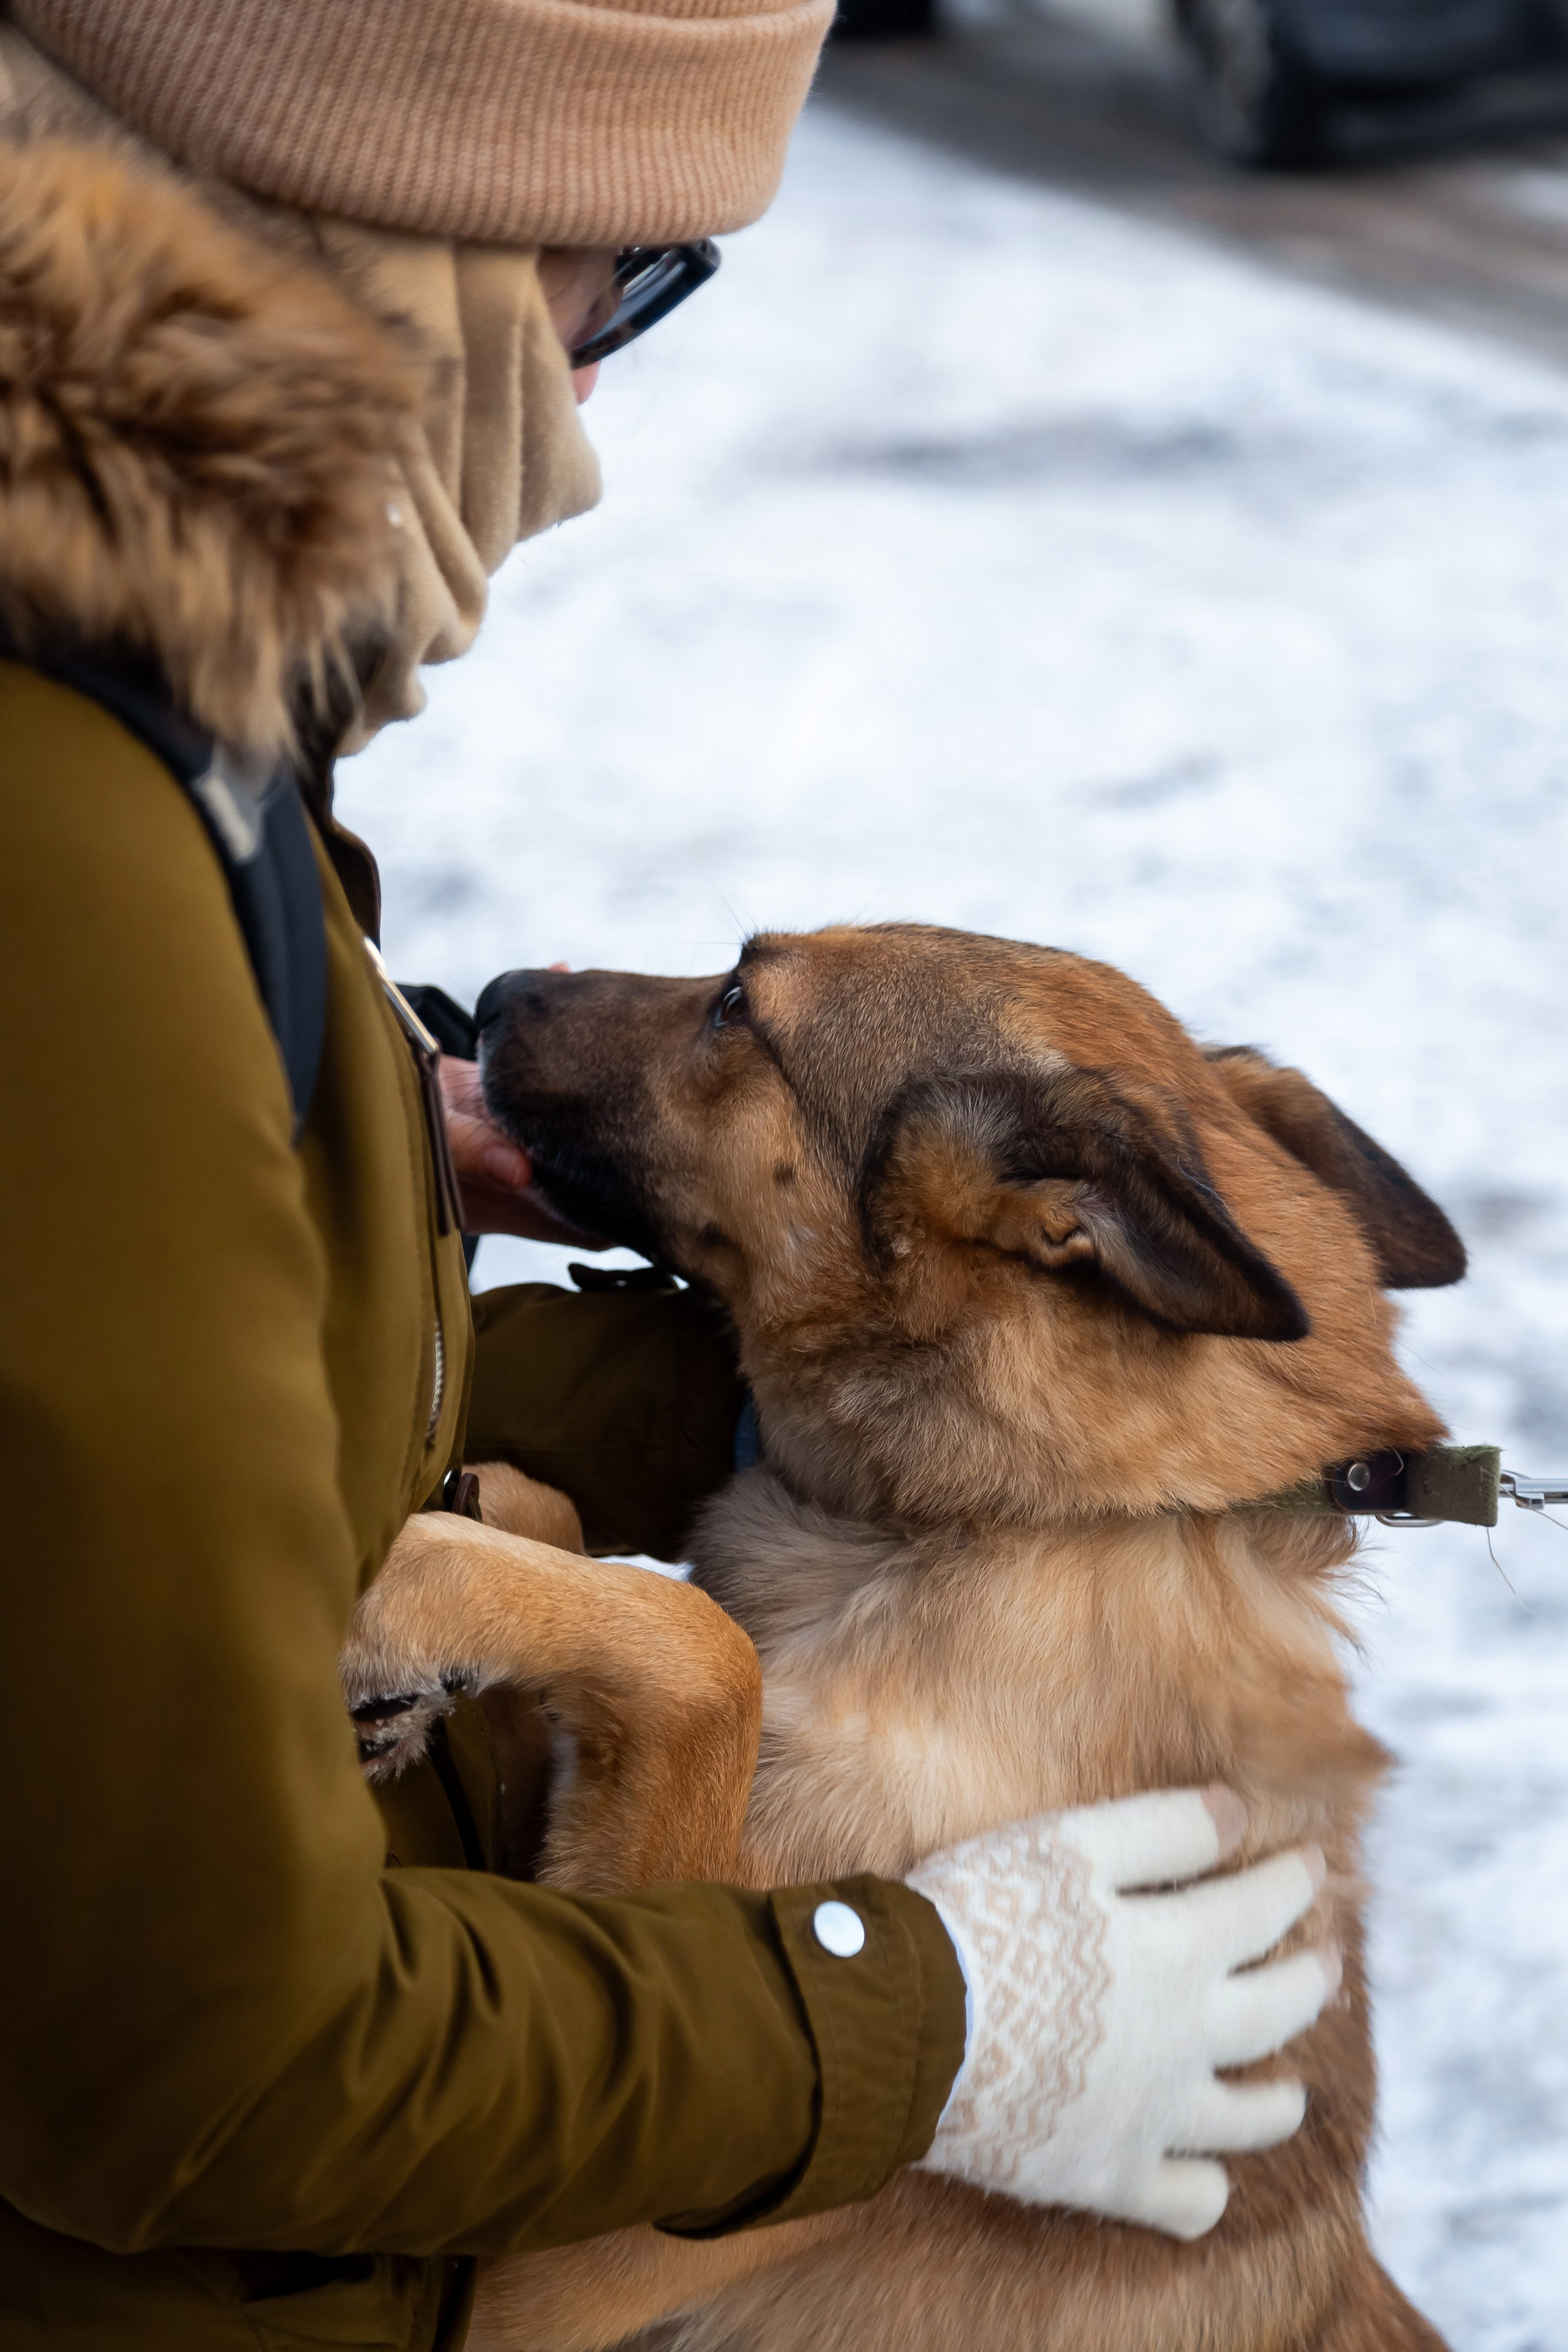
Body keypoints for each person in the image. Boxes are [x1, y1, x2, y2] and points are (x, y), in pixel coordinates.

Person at [0, 6, 1338, 2348]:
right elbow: (203, 2073)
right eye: (617, 273)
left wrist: (407, 1210)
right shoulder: (75, 831)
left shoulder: (151, 703)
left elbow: (176, 1479)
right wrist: (932, 2025)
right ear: (395, 213)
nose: (597, 402)